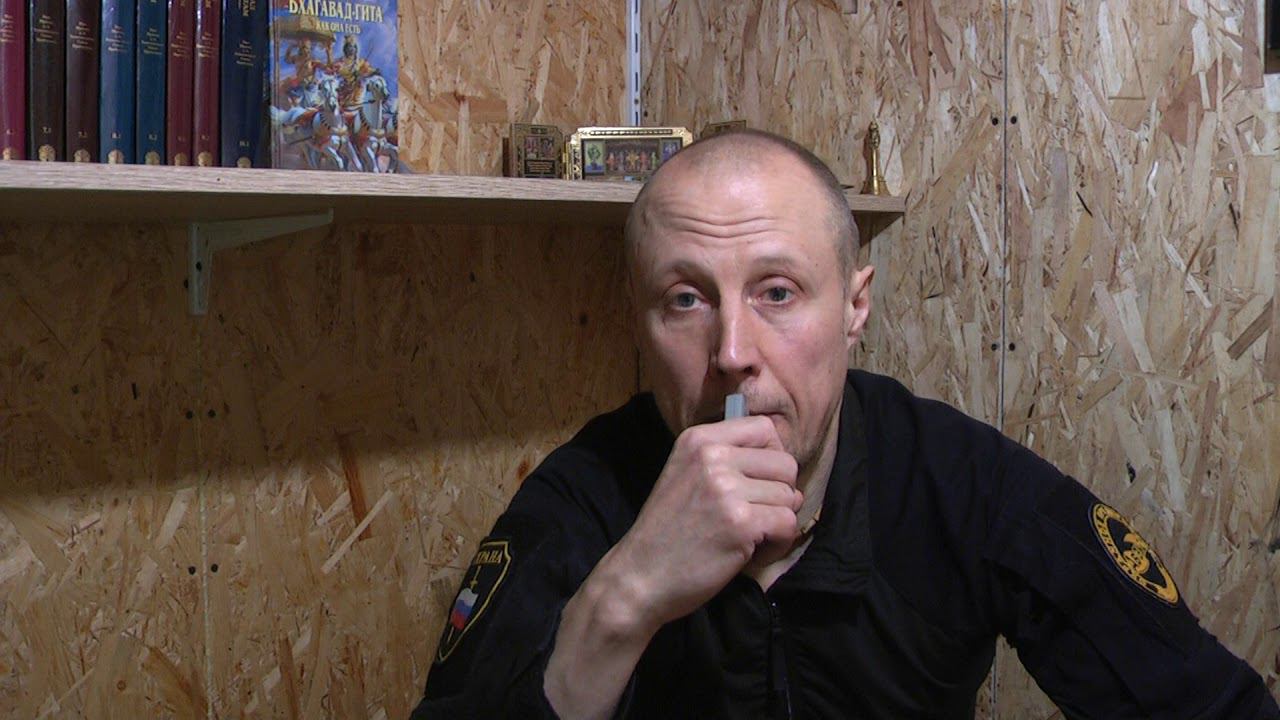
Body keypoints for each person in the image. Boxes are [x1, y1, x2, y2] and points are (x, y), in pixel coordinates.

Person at [412, 129, 1279, 718]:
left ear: (854, 307)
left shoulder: (958, 482)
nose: (733, 353)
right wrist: (625, 596)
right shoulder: (582, 497)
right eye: (684, 300)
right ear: (638, 324)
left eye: (777, 292)